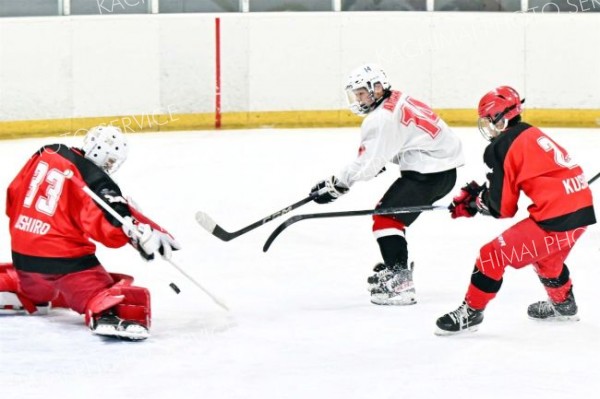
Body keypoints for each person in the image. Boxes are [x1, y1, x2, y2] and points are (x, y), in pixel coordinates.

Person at [436, 86, 596, 335]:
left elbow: (502, 208)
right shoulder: (529, 131)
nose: (488, 126)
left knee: (491, 255)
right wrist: (483, 196)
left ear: (502, 117)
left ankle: (471, 312)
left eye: (489, 119)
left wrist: (475, 202)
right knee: (548, 261)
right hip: (581, 210)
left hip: (556, 217)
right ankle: (564, 305)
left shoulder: (500, 146)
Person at [0, 125, 180, 340]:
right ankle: (107, 314)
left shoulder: (47, 152)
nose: (110, 166)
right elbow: (108, 223)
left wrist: (149, 227)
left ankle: (17, 288)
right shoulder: (93, 177)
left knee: (36, 288)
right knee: (100, 289)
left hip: (23, 256)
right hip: (64, 262)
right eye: (110, 160)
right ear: (99, 150)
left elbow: (13, 196)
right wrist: (132, 234)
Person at [310, 64, 465, 305]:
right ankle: (396, 263)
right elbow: (403, 137)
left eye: (361, 93)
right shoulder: (396, 98)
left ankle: (400, 283)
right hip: (441, 169)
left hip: (429, 174)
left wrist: (337, 185)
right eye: (356, 93)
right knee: (392, 218)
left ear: (377, 88)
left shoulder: (381, 117)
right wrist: (386, 156)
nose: (358, 99)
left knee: (386, 219)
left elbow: (367, 164)